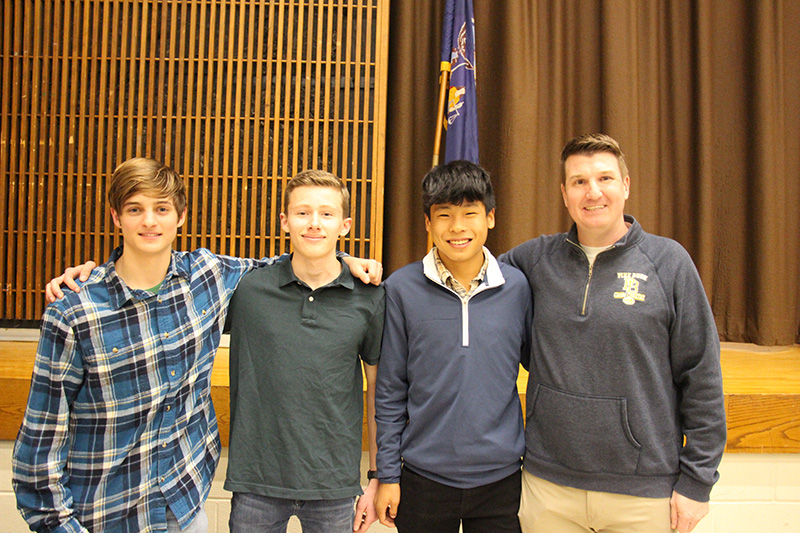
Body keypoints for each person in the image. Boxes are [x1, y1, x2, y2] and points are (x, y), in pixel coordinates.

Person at [20, 159, 381, 533]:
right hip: (106, 512)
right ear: (116, 216)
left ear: (181, 217)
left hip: (183, 505)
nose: (149, 221)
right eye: (134, 209)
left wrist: (343, 258)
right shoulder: (75, 309)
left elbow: (296, 262)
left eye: (161, 209)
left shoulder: (207, 278)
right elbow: (41, 440)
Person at [500, 134, 726, 533]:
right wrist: (349, 261)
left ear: (625, 186)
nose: (593, 192)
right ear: (564, 193)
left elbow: (702, 376)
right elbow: (464, 264)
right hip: (548, 486)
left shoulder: (669, 263)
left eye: (605, 178)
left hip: (642, 493)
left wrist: (698, 481)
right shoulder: (533, 260)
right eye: (579, 182)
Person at [374, 160, 532, 532]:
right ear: (428, 223)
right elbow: (390, 390)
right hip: (423, 478)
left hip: (503, 479)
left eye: (470, 213)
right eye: (444, 215)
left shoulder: (517, 288)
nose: (457, 227)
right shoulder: (401, 289)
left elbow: (543, 371)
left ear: (490, 218)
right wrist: (388, 476)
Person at [224, 170, 385, 533]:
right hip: (257, 483)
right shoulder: (248, 289)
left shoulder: (370, 296)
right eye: (302, 213)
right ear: (284, 221)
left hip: (334, 486)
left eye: (327, 214)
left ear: (344, 225)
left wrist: (376, 475)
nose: (314, 224)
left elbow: (379, 392)